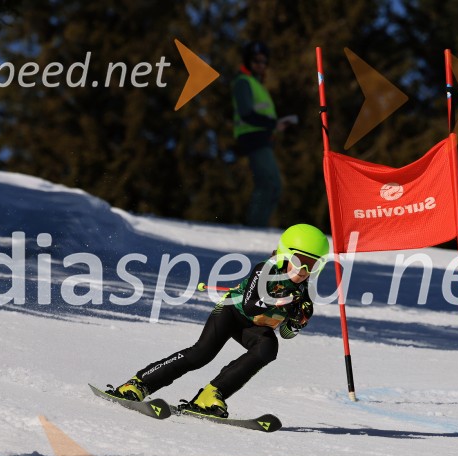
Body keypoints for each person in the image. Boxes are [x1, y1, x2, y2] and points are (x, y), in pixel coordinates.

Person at [109, 224, 330, 417]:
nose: (304, 270)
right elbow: (249, 306)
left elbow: (286, 333)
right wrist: (284, 302)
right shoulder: (266, 269)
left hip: (253, 325)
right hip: (231, 311)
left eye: (313, 265)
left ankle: (210, 395)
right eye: (299, 261)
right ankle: (138, 384)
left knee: (268, 350)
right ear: (284, 254)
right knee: (201, 354)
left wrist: (297, 321)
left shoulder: (305, 288)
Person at [231, 41, 295, 227]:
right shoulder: (243, 82)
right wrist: (272, 124)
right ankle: (255, 227)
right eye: (257, 61)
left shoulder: (256, 83)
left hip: (262, 138)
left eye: (264, 62)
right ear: (248, 61)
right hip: (253, 138)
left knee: (272, 184)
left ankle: (259, 225)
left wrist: (276, 126)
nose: (261, 65)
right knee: (269, 182)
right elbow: (246, 113)